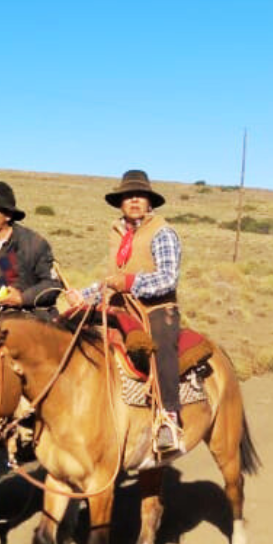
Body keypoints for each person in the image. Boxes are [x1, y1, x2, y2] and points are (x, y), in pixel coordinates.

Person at [69, 170, 183, 452]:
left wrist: (131, 282)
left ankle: (169, 415)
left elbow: (168, 278)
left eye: (139, 196)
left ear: (149, 202)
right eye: (128, 196)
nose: (133, 200)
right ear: (120, 202)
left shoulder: (162, 232)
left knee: (161, 345)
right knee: (75, 332)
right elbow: (111, 279)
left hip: (155, 308)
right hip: (121, 307)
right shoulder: (118, 233)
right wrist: (82, 296)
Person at [0, 181, 62, 319]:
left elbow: (53, 284)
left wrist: (22, 298)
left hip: (27, 317)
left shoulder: (35, 244)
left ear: (8, 215)